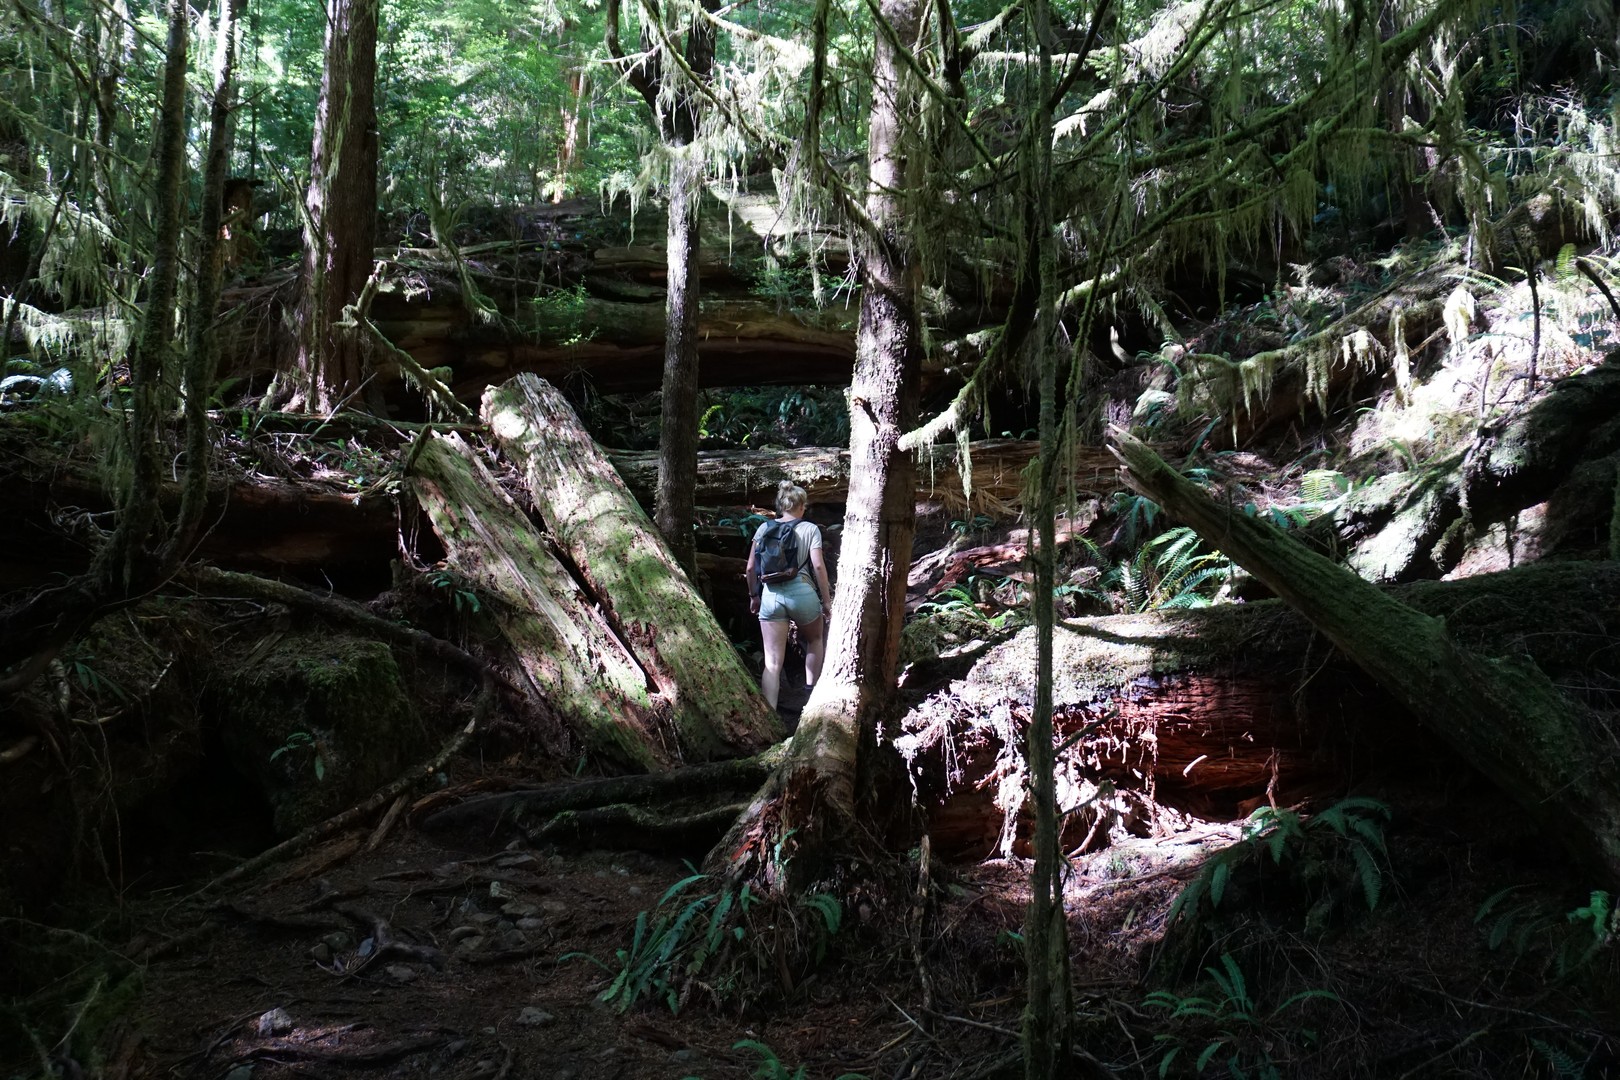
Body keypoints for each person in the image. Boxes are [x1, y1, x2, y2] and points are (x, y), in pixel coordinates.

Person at [745, 481, 833, 711]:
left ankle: (770, 715)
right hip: (802, 593)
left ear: (781, 506)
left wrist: (754, 596)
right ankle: (811, 699)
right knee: (815, 640)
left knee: (772, 663)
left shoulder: (763, 529)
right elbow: (819, 567)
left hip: (770, 596)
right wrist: (826, 601)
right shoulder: (810, 529)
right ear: (801, 506)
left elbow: (750, 568)